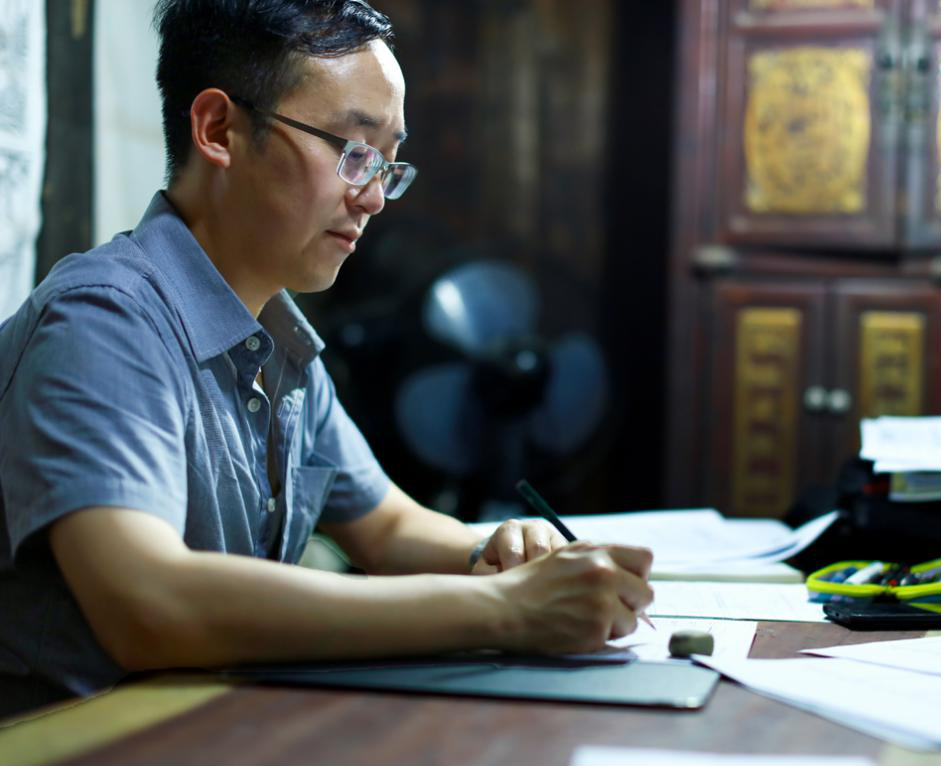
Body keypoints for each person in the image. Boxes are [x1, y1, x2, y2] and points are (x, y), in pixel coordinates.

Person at [0, 0, 653, 718]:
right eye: (353, 150)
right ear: (217, 129)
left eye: (387, 163)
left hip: (202, 736)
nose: (373, 198)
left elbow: (388, 527)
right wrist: (505, 608)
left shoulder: (279, 342)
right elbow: (147, 605)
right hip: (64, 759)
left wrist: (502, 556)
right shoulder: (105, 321)